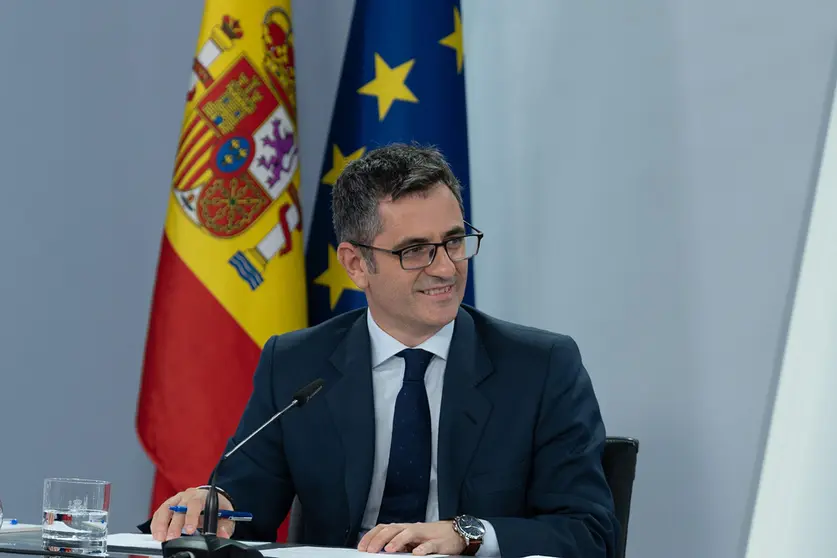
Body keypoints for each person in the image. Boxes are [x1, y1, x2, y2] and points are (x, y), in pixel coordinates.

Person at [147, 144, 618, 558]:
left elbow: (589, 532)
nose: (445, 268)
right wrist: (215, 508)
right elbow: (247, 507)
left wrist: (467, 534)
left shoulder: (539, 367)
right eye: (415, 250)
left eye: (454, 241)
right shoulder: (295, 364)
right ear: (356, 264)